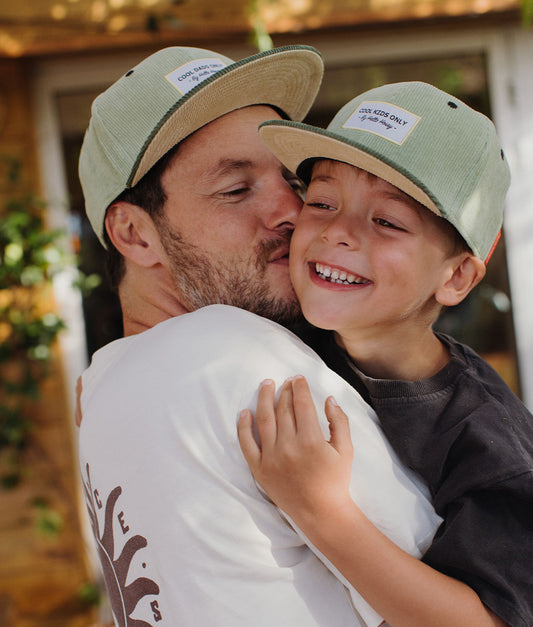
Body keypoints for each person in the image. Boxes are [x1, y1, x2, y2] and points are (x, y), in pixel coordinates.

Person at [76, 47, 442, 626]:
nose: (292, 211)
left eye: (293, 180)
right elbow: (493, 598)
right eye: (235, 190)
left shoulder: (100, 391)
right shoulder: (230, 354)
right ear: (134, 234)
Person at [238, 82, 533, 627]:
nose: (338, 232)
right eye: (321, 202)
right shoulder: (281, 336)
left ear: (457, 276)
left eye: (388, 221)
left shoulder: (488, 440)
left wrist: (321, 512)